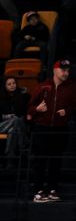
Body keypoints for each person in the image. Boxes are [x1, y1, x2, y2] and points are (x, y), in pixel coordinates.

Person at [27, 59, 74, 204]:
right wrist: (37, 109)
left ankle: (53, 189)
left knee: (55, 161)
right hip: (42, 128)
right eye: (63, 70)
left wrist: (67, 111)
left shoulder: (72, 88)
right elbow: (29, 109)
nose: (66, 73)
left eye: (68, 70)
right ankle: (38, 191)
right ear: (55, 70)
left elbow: (73, 107)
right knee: (40, 161)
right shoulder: (42, 86)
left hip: (60, 129)